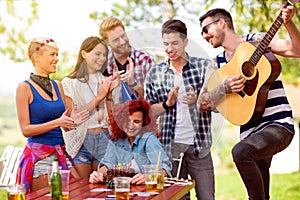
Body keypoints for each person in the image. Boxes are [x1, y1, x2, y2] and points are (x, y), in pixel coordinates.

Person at [198, 6, 300, 200]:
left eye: (205, 29)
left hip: (277, 125)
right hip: (250, 132)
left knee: (240, 152)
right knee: (261, 193)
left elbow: (297, 50)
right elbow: (201, 104)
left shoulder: (257, 41)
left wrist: (288, 23)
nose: (203, 36)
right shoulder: (216, 63)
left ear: (221, 23)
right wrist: (223, 89)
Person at [144, 19, 215, 200]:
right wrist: (167, 104)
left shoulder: (204, 67)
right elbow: (149, 112)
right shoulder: (155, 73)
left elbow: (219, 104)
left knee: (207, 197)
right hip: (169, 149)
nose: (169, 49)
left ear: (185, 42)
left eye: (175, 43)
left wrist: (199, 100)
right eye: (166, 44)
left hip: (199, 147)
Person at [15, 37, 89, 193]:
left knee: (78, 193)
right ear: (37, 57)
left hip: (60, 153)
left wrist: (71, 123)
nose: (57, 59)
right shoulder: (24, 88)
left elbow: (64, 124)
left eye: (57, 54)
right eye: (52, 54)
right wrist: (58, 122)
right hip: (39, 158)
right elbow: (26, 130)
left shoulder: (58, 86)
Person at [61, 36, 120, 178]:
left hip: (105, 138)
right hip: (82, 140)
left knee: (103, 187)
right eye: (97, 54)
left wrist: (109, 95)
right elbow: (72, 119)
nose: (102, 58)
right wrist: (99, 97)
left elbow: (113, 117)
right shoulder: (69, 83)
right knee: (82, 189)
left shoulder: (107, 80)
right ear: (84, 54)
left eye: (105, 55)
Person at [89, 98, 171, 185]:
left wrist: (148, 177)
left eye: (136, 121)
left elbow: (165, 171)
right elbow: (107, 165)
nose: (131, 126)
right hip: (122, 190)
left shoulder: (149, 139)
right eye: (127, 120)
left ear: (143, 124)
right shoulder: (116, 140)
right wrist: (99, 174)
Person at [99, 16, 154, 97]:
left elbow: (153, 99)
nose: (122, 42)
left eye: (123, 35)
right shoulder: (103, 64)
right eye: (116, 40)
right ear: (107, 43)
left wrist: (133, 84)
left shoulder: (145, 60)